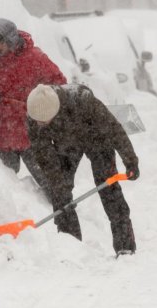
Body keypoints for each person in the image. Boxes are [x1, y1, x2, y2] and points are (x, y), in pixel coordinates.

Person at [25, 83, 139, 256]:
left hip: (97, 139)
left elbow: (114, 129)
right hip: (67, 146)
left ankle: (125, 245)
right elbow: (44, 155)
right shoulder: (35, 115)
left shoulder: (83, 101)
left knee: (109, 187)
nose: (39, 125)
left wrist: (130, 160)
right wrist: (59, 185)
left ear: (55, 112)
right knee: (59, 194)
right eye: (37, 122)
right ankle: (70, 247)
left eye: (44, 122)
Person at [0, 18, 66, 185]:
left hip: (33, 134)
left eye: (0, 42)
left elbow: (58, 85)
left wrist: (44, 106)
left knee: (52, 185)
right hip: (1, 135)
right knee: (5, 189)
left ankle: (63, 209)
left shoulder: (35, 59)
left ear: (11, 39)